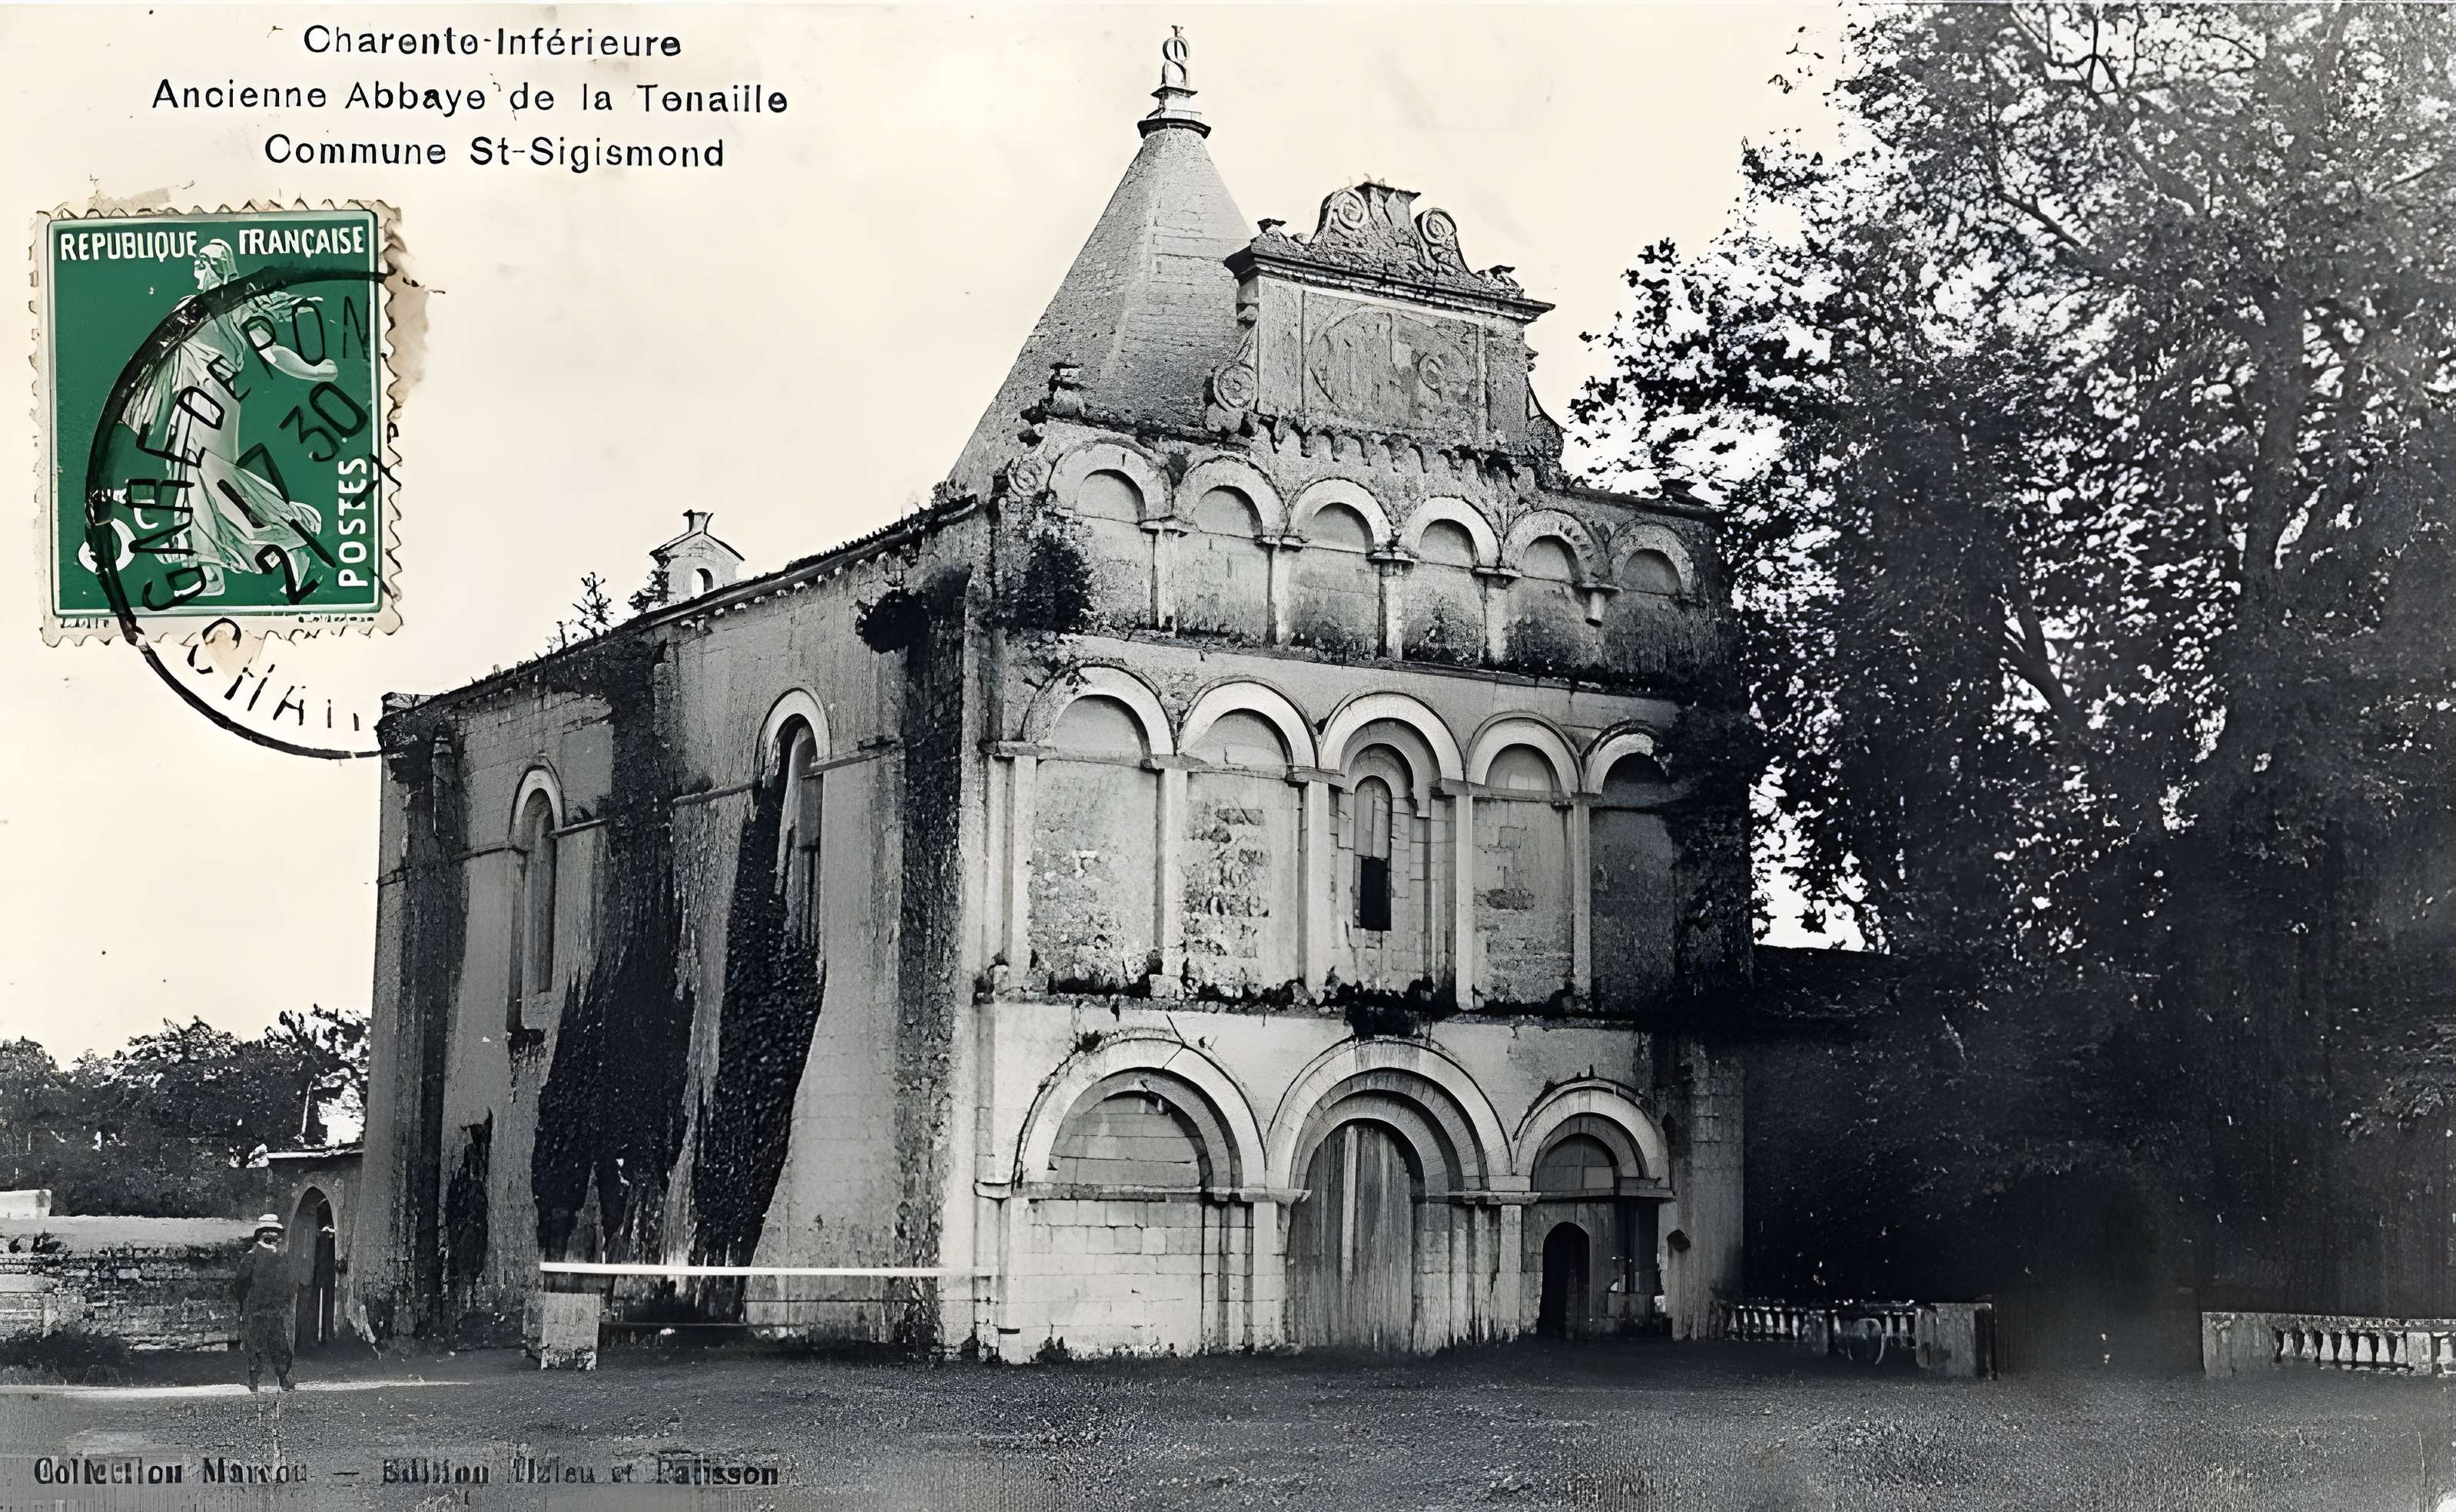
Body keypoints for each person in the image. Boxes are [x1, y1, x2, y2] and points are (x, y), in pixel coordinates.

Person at [229, 1214, 297, 1391]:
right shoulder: (251, 1257)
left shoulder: (282, 1256)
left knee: (280, 1346)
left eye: (275, 1231)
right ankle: (253, 1382)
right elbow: (240, 1283)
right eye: (267, 1231)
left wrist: (285, 1299)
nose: (272, 1234)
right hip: (256, 1309)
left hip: (275, 1310)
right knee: (254, 1346)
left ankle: (284, 1380)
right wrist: (247, 1304)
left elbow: (290, 1282)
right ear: (260, 1234)